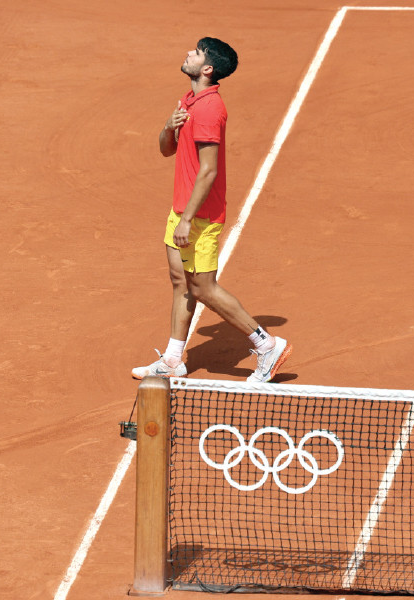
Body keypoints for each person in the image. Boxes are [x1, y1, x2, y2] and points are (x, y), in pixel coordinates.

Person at [132, 37, 291, 384]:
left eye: (197, 52)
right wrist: (167, 127)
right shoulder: (190, 100)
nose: (188, 52)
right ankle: (173, 359)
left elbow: (208, 170)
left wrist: (188, 218)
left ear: (207, 69)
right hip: (183, 207)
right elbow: (165, 150)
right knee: (180, 282)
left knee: (202, 287)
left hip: (200, 214)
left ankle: (266, 345)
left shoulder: (207, 110)